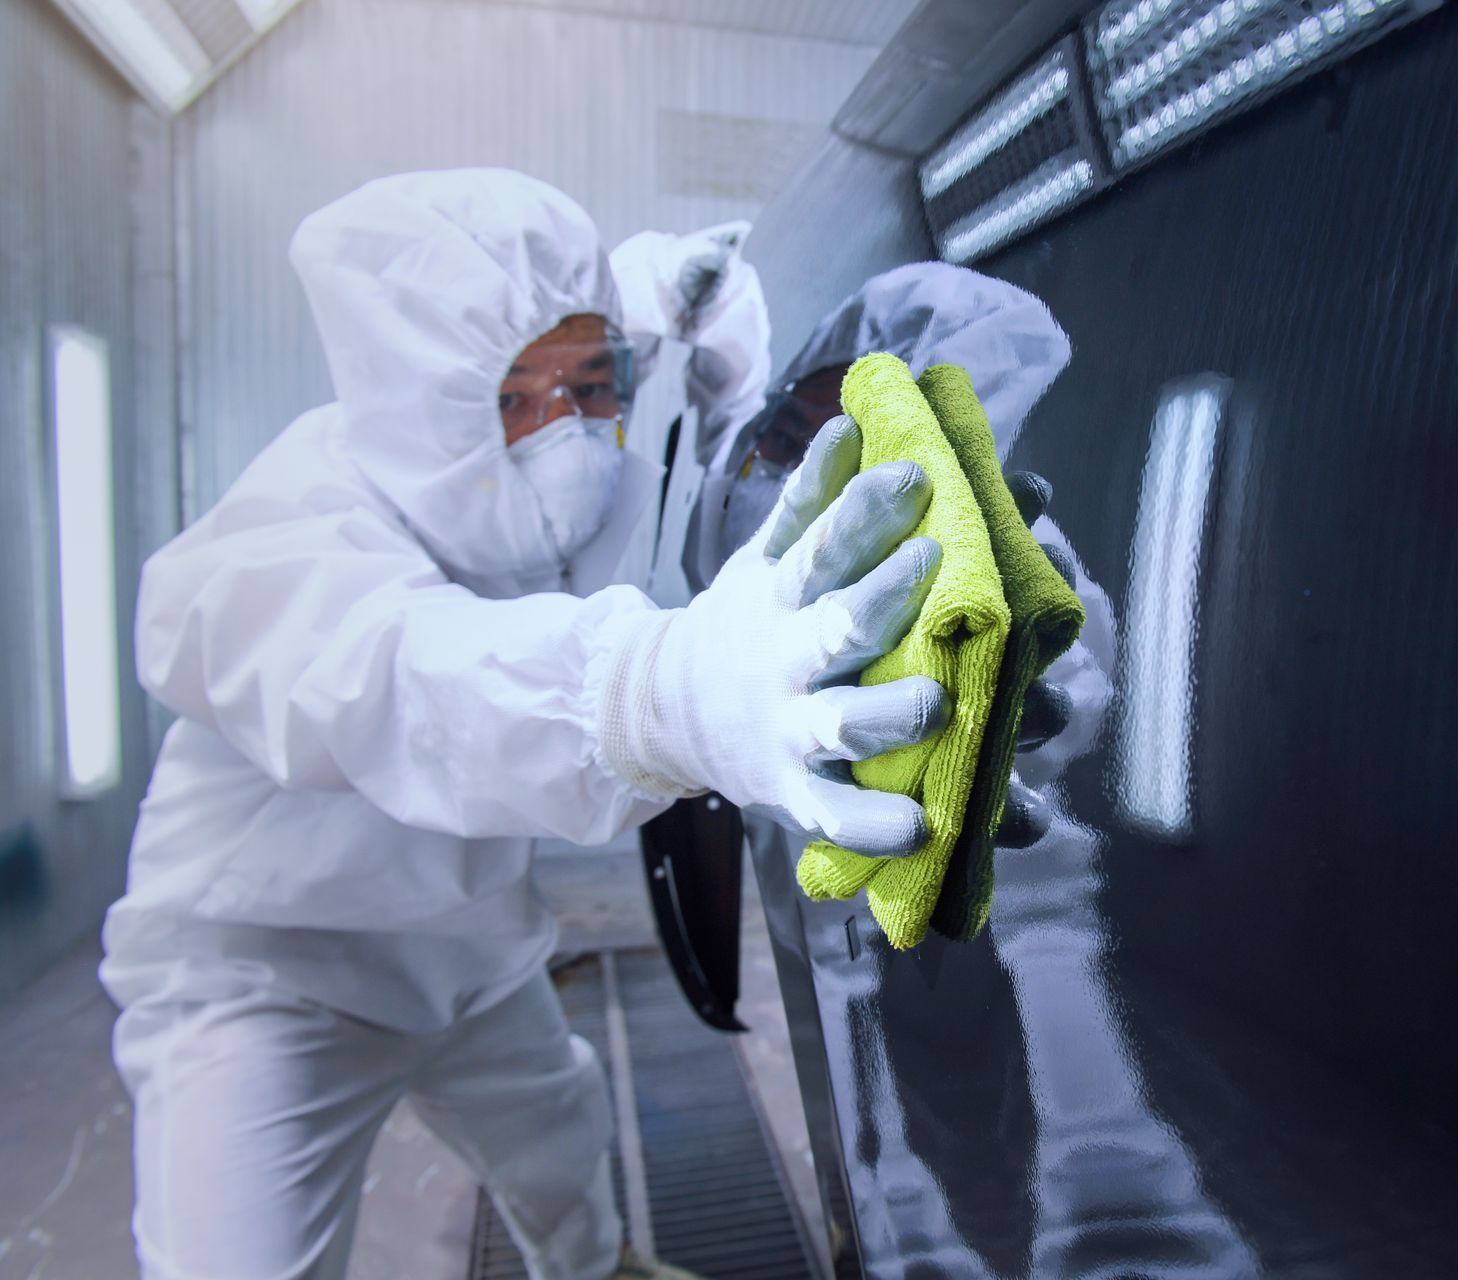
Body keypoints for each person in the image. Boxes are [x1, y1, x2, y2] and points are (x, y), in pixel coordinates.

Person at [99, 168, 951, 1280]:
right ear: (425, 405)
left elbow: (577, 319)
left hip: (468, 941)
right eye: (519, 400)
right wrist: (652, 695)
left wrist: (676, 312)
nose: (571, 432)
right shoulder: (280, 543)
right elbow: (403, 680)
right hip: (273, 972)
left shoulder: (526, 432)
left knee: (556, 1136)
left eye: (598, 387)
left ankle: (596, 1267)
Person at [681, 262, 1092, 845]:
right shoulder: (727, 481)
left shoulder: (1017, 597)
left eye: (860, 467)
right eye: (787, 438)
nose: (797, 478)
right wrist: (688, 708)